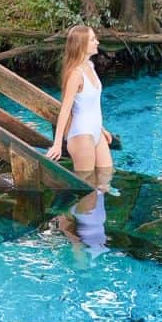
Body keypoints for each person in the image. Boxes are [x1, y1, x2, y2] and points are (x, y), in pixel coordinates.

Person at [46, 25, 116, 195]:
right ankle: (66, 217)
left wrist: (101, 129)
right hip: (81, 135)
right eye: (93, 39)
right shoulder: (75, 74)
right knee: (87, 189)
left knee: (106, 178)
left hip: (95, 132)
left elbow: (91, 106)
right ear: (81, 45)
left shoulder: (90, 66)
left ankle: (77, 217)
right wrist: (57, 144)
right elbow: (65, 110)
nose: (97, 42)